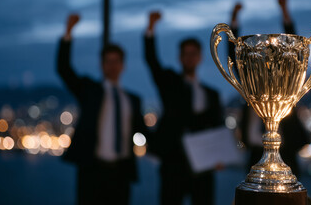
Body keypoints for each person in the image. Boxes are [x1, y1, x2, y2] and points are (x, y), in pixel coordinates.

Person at [57, 14, 148, 205]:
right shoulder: (89, 90)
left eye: (116, 61)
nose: (112, 66)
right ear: (101, 65)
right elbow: (64, 69)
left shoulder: (133, 100)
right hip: (92, 171)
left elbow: (145, 133)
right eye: (108, 61)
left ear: (123, 65)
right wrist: (68, 33)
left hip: (121, 174)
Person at [144, 11, 222, 205]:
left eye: (193, 53)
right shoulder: (170, 82)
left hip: (204, 164)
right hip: (173, 161)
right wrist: (151, 28)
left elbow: (218, 125)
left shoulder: (211, 94)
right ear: (180, 57)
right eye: (186, 54)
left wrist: (219, 155)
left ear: (200, 57)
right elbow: (152, 62)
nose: (189, 58)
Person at [229, 0, 309, 178]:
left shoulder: (284, 82)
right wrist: (233, 20)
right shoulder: (251, 83)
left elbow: (294, 53)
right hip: (254, 158)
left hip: (286, 155)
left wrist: (285, 13)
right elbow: (232, 58)